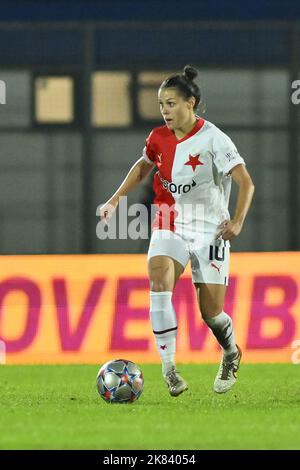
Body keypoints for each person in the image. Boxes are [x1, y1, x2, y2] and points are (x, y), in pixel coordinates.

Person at [99, 65, 255, 397]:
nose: (165, 111)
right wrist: (114, 200)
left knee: (211, 314)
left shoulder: (214, 139)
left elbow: (246, 182)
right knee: (158, 281)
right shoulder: (157, 138)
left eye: (171, 104)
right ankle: (169, 369)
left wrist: (238, 221)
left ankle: (230, 352)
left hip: (211, 230)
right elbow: (143, 165)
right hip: (171, 220)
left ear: (191, 103)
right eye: (161, 105)